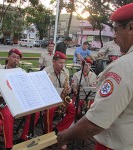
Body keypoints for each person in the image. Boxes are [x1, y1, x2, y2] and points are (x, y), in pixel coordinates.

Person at [57, 3, 133, 150]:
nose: (115, 37)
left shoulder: (123, 67)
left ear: (131, 27)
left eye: (116, 30)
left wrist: (64, 136)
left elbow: (95, 123)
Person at [0, 48, 39, 149]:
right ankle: (9, 146)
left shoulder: (22, 71)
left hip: (18, 100)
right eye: (13, 57)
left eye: (18, 58)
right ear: (8, 57)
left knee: (35, 113)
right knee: (7, 116)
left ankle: (24, 137)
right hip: (3, 102)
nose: (16, 59)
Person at [44, 51, 75, 134]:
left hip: (61, 97)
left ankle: (58, 129)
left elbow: (67, 85)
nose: (62, 65)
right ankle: (48, 133)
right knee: (49, 110)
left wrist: (68, 89)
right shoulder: (46, 71)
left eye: (63, 63)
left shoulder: (66, 71)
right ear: (53, 61)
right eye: (60, 62)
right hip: (49, 98)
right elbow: (42, 89)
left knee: (73, 109)